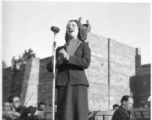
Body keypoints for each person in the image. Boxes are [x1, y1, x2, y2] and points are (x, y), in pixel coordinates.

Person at [47, 19, 91, 120]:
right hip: (63, 85)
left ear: (78, 30)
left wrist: (68, 58)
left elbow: (86, 62)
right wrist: (59, 59)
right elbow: (50, 67)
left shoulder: (84, 46)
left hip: (79, 85)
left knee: (80, 114)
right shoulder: (59, 49)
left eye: (73, 25)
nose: (70, 27)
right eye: (68, 26)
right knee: (65, 115)